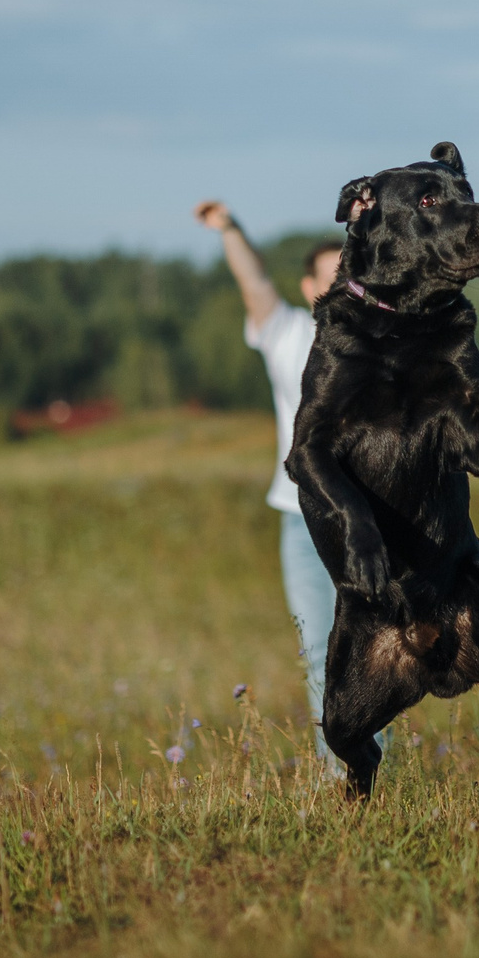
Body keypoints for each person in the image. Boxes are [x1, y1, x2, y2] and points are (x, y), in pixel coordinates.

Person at [193, 198, 361, 764]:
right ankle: (342, 781)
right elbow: (253, 281)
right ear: (310, 286)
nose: (346, 280)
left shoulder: (386, 341)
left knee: (372, 650)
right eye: (333, 272)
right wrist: (230, 229)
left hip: (371, 522)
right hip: (302, 521)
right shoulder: (287, 333)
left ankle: (365, 773)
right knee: (321, 651)